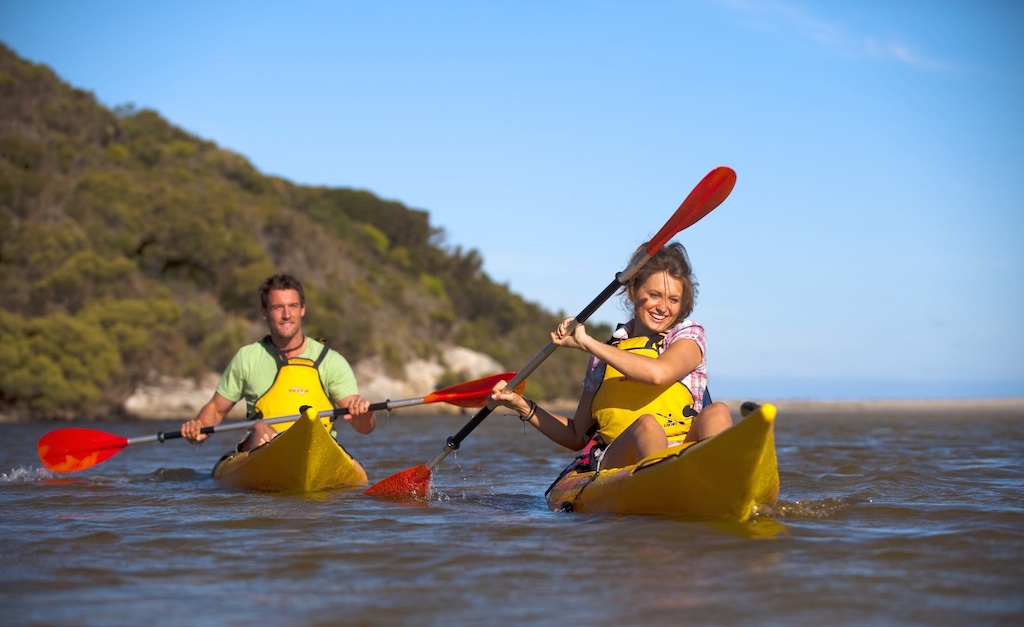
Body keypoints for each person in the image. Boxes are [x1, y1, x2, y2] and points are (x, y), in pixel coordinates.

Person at [489, 242, 732, 471]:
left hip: (682, 450)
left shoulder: (687, 337)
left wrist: (587, 343)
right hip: (620, 458)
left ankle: (722, 478)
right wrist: (521, 405)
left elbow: (659, 374)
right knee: (647, 426)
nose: (663, 307)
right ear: (633, 291)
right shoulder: (603, 356)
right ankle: (660, 483)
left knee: (718, 411)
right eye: (655, 295)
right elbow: (576, 436)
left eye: (674, 299)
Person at [180, 273, 376, 452]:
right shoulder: (247, 358)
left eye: (293, 306)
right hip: (262, 449)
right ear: (264, 312)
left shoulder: (331, 361)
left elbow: (364, 427)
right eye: (277, 307)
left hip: (316, 450)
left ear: (302, 310)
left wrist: (363, 415)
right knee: (260, 427)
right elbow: (216, 409)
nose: (286, 315)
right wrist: (199, 427)